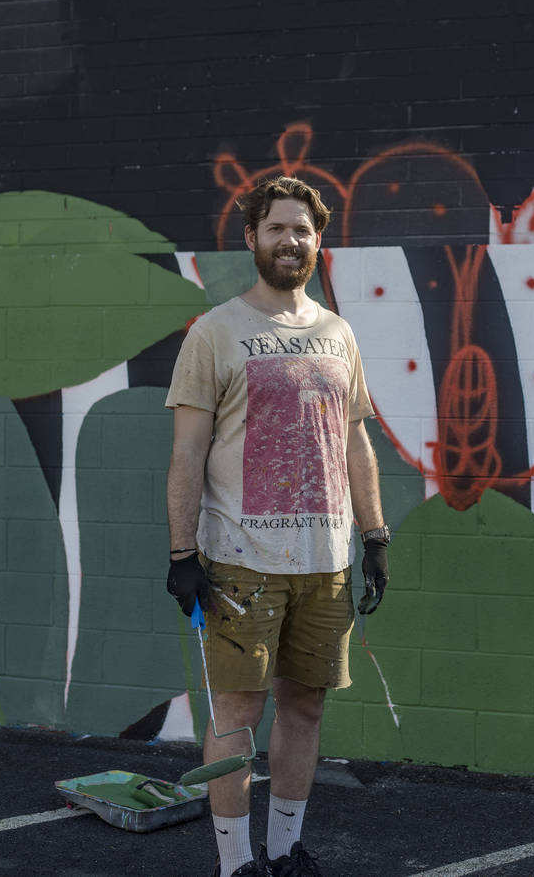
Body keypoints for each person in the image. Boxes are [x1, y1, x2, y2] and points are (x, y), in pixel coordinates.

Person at [165, 175, 390, 877]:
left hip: (324, 563)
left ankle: (286, 854)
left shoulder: (336, 332)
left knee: (305, 712)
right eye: (276, 229)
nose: (290, 241)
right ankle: (235, 866)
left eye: (302, 230)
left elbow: (354, 442)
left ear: (317, 241)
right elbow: (188, 453)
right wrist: (181, 553)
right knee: (236, 717)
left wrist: (375, 537)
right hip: (239, 562)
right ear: (251, 239)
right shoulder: (216, 332)